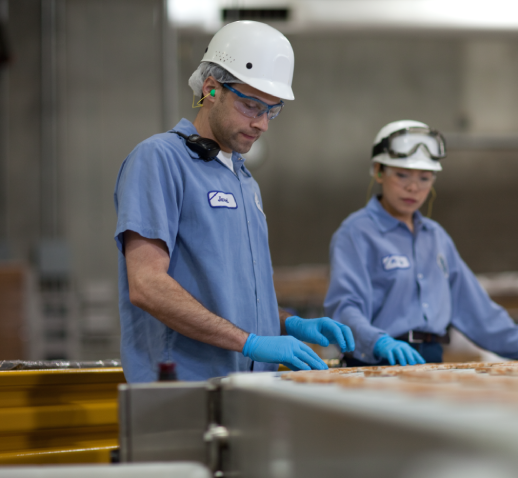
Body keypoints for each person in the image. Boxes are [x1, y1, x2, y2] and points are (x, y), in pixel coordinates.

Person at [114, 21, 354, 382]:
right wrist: (250, 342)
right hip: (184, 393)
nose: (262, 124)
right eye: (250, 105)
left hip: (250, 391)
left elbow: (232, 300)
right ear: (210, 90)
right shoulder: (160, 159)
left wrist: (288, 322)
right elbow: (147, 285)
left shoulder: (243, 180)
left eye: (271, 110)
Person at [323, 120, 518, 366]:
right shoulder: (356, 233)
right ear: (378, 171)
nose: (413, 187)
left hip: (430, 359)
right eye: (401, 174)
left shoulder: (436, 238)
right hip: (375, 361)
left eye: (424, 177)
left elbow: (479, 313)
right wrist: (378, 343)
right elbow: (345, 308)